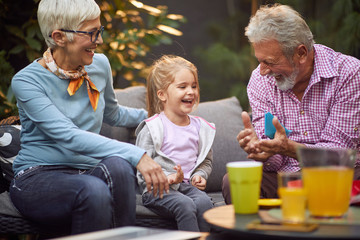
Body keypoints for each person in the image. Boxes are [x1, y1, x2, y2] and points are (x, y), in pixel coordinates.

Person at [10, 0, 169, 235]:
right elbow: (68, 135)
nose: (100, 41)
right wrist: (138, 155)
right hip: (38, 176)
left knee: (118, 166)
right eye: (92, 33)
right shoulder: (26, 81)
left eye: (99, 31)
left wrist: (159, 116)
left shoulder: (99, 65)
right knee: (93, 189)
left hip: (89, 172)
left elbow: (112, 113)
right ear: (59, 36)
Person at [222, 4, 360, 202]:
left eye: (269, 62)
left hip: (339, 175)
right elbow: (274, 158)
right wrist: (263, 150)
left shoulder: (349, 73)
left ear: (301, 53)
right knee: (233, 183)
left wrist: (288, 148)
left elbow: (339, 156)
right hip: (286, 177)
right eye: (260, 61)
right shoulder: (260, 80)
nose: (262, 71)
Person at [135, 55, 215, 232]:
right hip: (158, 189)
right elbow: (141, 167)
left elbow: (206, 161)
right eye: (182, 87)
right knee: (185, 205)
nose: (191, 91)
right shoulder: (152, 128)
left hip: (187, 187)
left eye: (194, 86)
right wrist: (166, 178)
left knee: (204, 202)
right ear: (162, 94)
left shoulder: (200, 128)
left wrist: (200, 174)